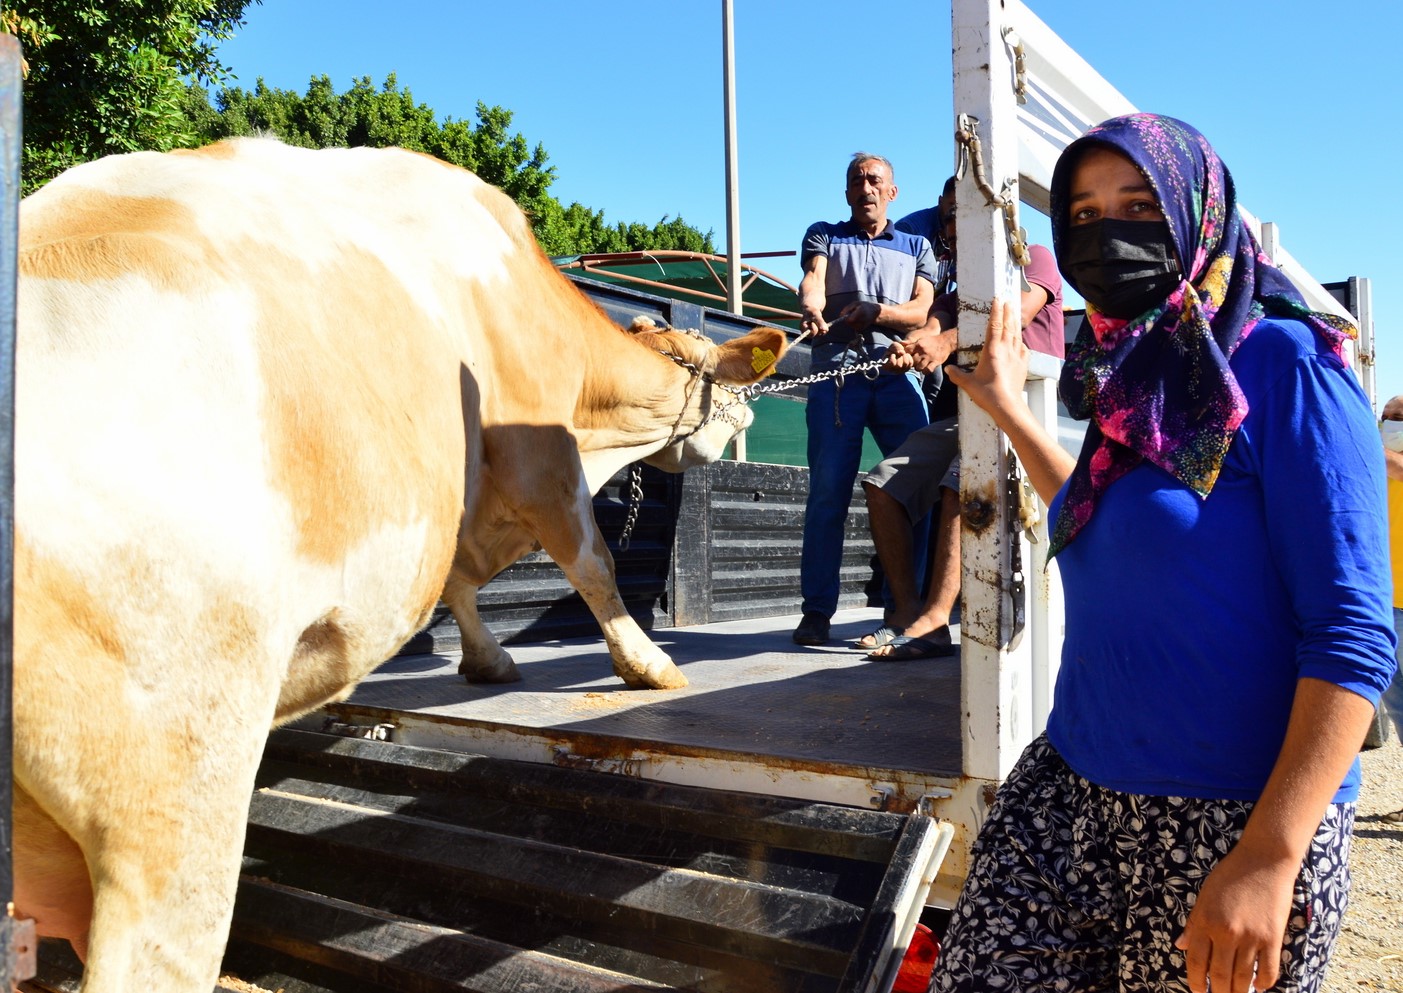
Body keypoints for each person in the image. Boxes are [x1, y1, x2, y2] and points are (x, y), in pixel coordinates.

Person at [930, 113, 1396, 993]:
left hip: (1231, 821)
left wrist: (1269, 854)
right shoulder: (1134, 376)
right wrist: (1011, 412)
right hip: (1068, 792)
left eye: (1137, 206)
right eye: (1082, 214)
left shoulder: (1287, 366)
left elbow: (1353, 633)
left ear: (1195, 214)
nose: (1105, 234)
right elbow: (1102, 513)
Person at [857, 186, 1064, 657]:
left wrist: (946, 341)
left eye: (968, 212)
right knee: (883, 483)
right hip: (974, 413)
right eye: (951, 217)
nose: (958, 224)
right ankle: (909, 614)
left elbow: (1016, 313)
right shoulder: (957, 291)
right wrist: (913, 346)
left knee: (961, 478)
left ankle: (936, 617)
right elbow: (932, 325)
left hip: (1027, 411)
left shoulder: (1033, 258)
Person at [791, 153, 938, 646]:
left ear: (892, 192)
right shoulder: (824, 235)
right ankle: (817, 612)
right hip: (836, 374)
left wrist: (878, 314)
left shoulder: (918, 245)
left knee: (915, 492)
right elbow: (813, 278)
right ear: (847, 192)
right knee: (828, 492)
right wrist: (811, 302)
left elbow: (921, 311)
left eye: (875, 180)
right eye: (856, 180)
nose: (866, 187)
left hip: (898, 374)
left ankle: (905, 609)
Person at [1377, 394, 1403, 821]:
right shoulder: (1375, 466)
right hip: (1384, 606)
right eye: (1388, 417)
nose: (1393, 423)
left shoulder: (1386, 461)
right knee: (1399, 711)